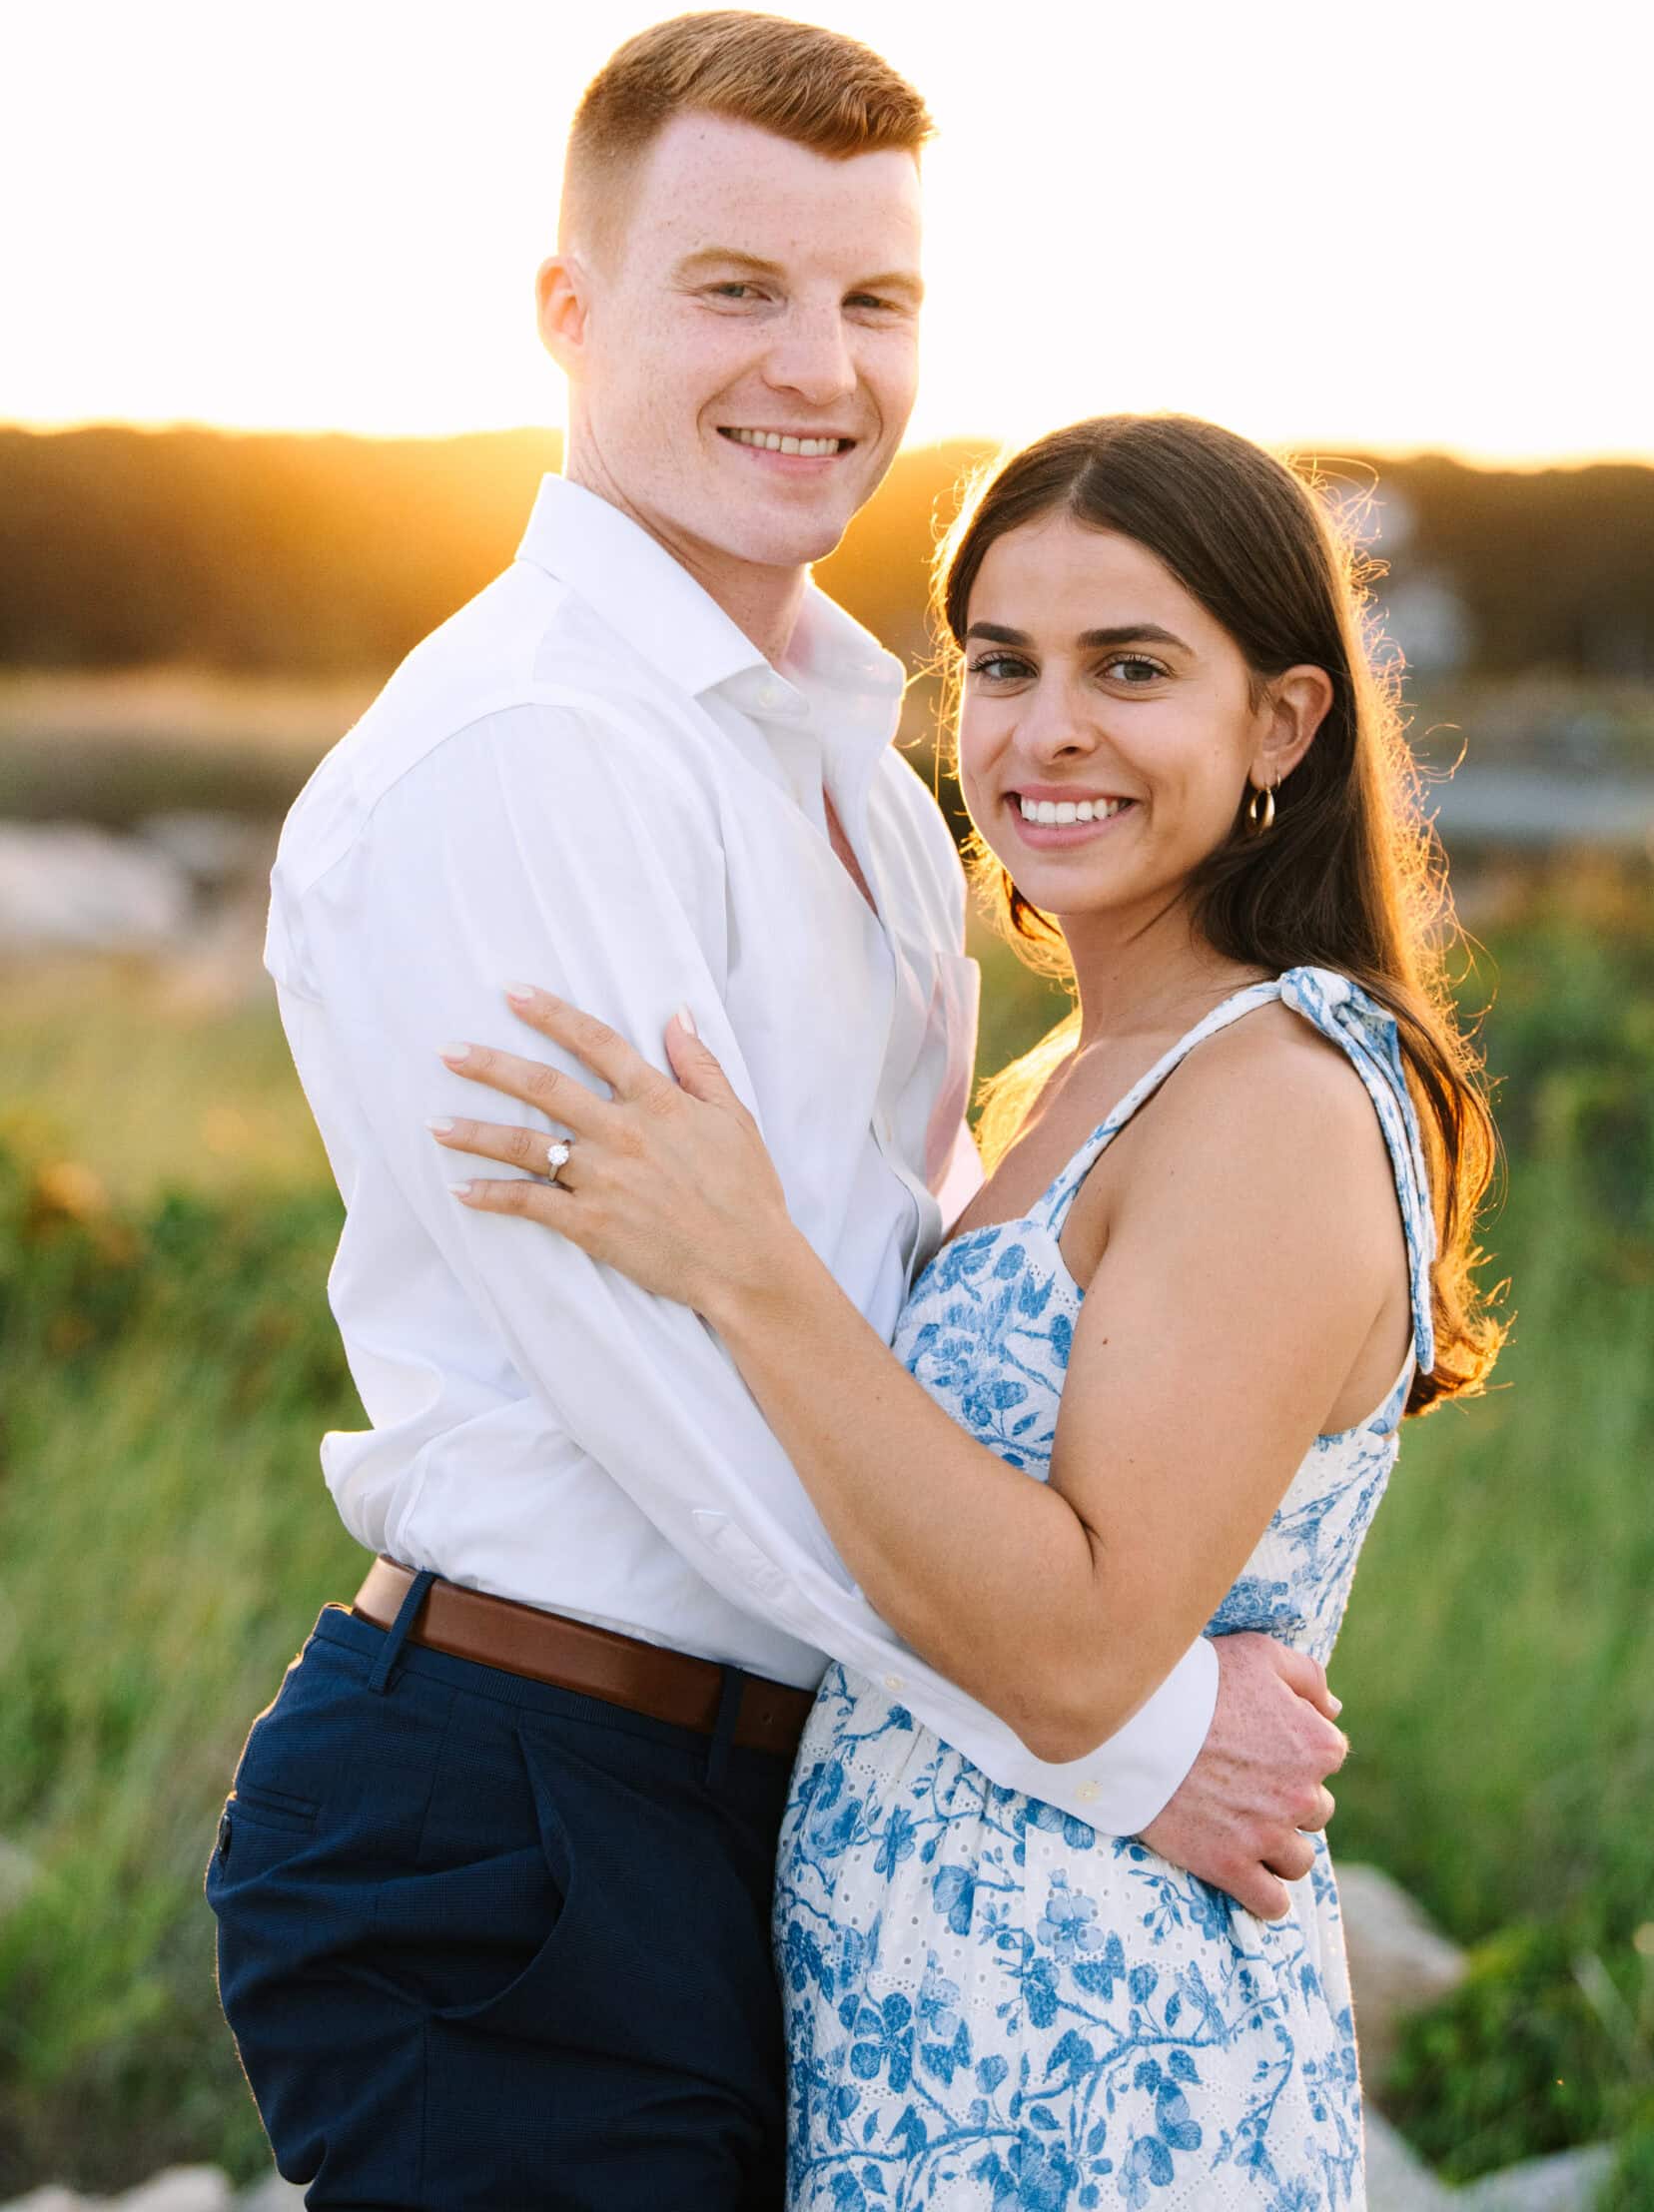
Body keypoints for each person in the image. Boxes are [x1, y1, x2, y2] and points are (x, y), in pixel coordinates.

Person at [208, 16, 1347, 2212]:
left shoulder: (846, 757)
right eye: (736, 288)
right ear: (571, 312)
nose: (815, 364)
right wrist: (1120, 1734)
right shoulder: (532, 756)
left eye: (875, 299)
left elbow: (867, 1308)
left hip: (771, 1785)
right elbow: (670, 1399)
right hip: (522, 1805)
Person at [432, 411, 1505, 2206]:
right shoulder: (1061, 1083)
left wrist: (744, 1264)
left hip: (1100, 2068)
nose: (1045, 729)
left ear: (1283, 723)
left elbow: (1083, 1650)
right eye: (1000, 665)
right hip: (929, 2038)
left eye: (1131, 667)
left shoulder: (1273, 1096)